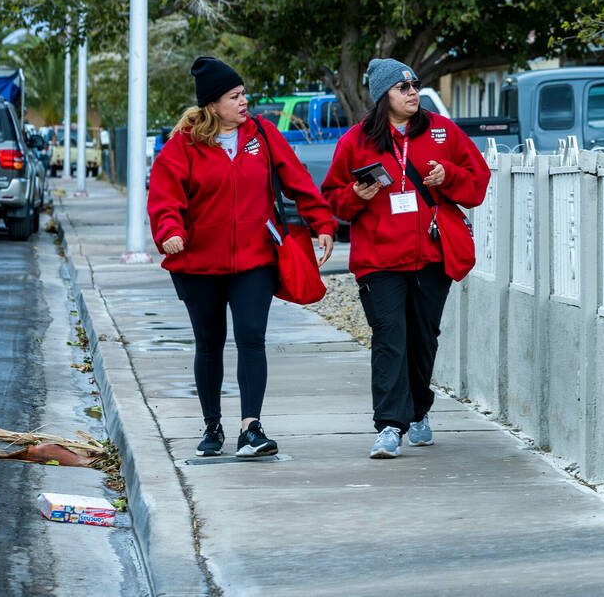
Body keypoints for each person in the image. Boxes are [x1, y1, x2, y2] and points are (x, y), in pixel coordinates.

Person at [147, 56, 336, 458]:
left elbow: (297, 180)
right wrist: (169, 232)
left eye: (244, 93)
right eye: (235, 96)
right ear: (213, 104)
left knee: (252, 338)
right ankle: (211, 426)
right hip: (199, 264)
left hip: (255, 259)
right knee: (209, 343)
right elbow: (164, 198)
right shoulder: (184, 145)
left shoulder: (263, 136)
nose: (244, 101)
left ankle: (251, 428)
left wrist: (322, 222)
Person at [322, 58, 489, 459]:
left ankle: (418, 412)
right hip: (379, 262)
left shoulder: (442, 132)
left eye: (414, 86)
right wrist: (353, 198)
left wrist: (447, 174)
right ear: (383, 97)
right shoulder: (356, 140)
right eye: (403, 88)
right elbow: (332, 199)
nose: (413, 93)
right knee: (389, 338)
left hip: (431, 256)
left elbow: (478, 184)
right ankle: (389, 427)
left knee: (422, 339)